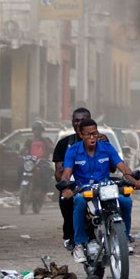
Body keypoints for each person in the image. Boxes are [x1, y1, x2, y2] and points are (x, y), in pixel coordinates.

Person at [59, 118, 140, 263]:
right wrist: (65, 186)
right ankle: (79, 244)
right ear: (81, 135)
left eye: (94, 133)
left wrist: (134, 181)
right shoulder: (73, 151)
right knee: (78, 201)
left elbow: (123, 168)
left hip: (105, 186)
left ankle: (124, 237)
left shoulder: (107, 148)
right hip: (84, 188)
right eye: (88, 134)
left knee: (126, 201)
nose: (92, 137)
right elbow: (66, 172)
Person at [52, 107, 91, 250]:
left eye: (83, 120)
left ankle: (120, 235)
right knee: (66, 199)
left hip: (98, 185)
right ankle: (72, 238)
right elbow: (59, 171)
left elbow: (114, 164)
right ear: (72, 122)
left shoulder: (101, 142)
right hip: (76, 186)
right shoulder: (65, 145)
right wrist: (65, 184)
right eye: (76, 120)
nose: (79, 123)